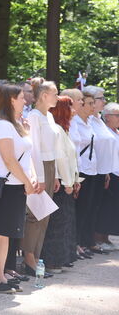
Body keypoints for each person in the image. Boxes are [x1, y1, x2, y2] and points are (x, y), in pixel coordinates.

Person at [0, 83, 38, 294]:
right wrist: (26, 181)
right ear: (11, 100)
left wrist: (29, 178)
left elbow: (25, 155)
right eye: (22, 97)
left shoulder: (14, 124)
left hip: (16, 184)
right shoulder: (1, 125)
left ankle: (0, 274)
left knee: (5, 233)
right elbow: (9, 160)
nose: (25, 101)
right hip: (5, 185)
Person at [20, 77, 59, 275]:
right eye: (55, 93)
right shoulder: (34, 116)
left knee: (45, 215)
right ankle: (28, 257)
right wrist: (41, 177)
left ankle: (36, 255)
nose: (57, 97)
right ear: (44, 95)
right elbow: (34, 149)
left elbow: (53, 148)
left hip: (50, 166)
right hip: (39, 167)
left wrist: (56, 174)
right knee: (35, 214)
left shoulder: (49, 116)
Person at [41, 96, 79, 270]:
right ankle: (52, 260)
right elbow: (61, 159)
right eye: (71, 108)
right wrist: (68, 182)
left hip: (67, 181)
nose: (74, 111)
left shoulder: (64, 130)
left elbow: (71, 159)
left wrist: (75, 179)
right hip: (62, 183)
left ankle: (61, 258)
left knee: (65, 223)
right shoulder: (56, 129)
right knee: (57, 224)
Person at [64, 88, 100, 258]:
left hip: (90, 168)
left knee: (86, 208)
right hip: (80, 169)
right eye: (89, 103)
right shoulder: (75, 121)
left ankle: (80, 243)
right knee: (78, 209)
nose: (93, 106)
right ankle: (75, 244)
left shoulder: (89, 122)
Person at [86, 86, 116, 252]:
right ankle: (87, 240)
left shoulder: (98, 120)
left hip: (103, 171)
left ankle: (90, 240)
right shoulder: (88, 120)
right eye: (101, 98)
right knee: (90, 207)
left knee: (95, 207)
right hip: (92, 170)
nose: (104, 101)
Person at [95, 102, 119, 249]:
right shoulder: (105, 132)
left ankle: (106, 237)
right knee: (106, 206)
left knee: (113, 207)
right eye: (117, 115)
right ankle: (99, 237)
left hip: (117, 172)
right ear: (108, 117)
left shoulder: (116, 132)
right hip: (109, 172)